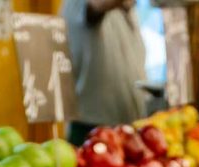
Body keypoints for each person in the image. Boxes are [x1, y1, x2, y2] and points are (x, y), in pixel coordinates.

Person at [63, 0, 148, 144]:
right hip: (92, 131)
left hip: (130, 126)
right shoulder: (81, 4)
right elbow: (98, 4)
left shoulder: (124, 10)